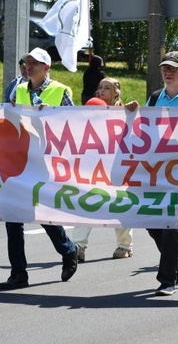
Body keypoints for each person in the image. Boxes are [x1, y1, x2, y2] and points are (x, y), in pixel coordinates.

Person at [0, 47, 78, 290]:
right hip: (20, 161)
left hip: (45, 163)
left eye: (35, 62)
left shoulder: (60, 91)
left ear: (47, 68)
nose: (29, 66)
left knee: (43, 213)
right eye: (27, 61)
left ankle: (68, 250)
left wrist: (51, 117)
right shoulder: (18, 89)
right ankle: (18, 273)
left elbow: (75, 124)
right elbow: (7, 119)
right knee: (13, 217)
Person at [131, 51, 178, 296]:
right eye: (164, 67)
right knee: (151, 222)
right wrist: (131, 114)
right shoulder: (154, 98)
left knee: (170, 225)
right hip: (155, 169)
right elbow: (143, 132)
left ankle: (167, 279)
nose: (167, 71)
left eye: (173, 68)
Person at [73, 77, 134, 261]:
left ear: (117, 92)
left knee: (120, 204)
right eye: (99, 87)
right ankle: (78, 245)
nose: (101, 91)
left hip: (117, 165)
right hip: (94, 166)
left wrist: (131, 113)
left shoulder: (125, 111)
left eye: (107, 88)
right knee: (87, 202)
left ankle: (125, 245)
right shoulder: (91, 110)